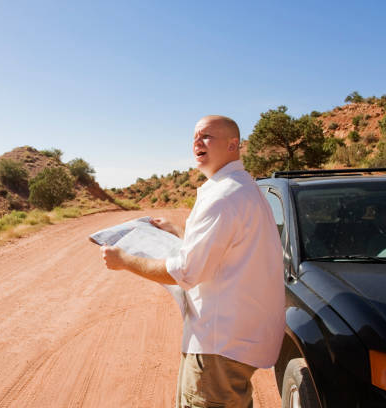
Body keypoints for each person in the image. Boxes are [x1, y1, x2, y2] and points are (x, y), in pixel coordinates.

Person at [100, 115, 285, 408]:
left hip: (219, 344)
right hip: (237, 342)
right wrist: (177, 231)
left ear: (233, 144)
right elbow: (223, 250)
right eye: (195, 137)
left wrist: (124, 259)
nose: (197, 142)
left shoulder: (223, 196)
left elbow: (187, 271)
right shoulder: (242, 188)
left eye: (207, 136)